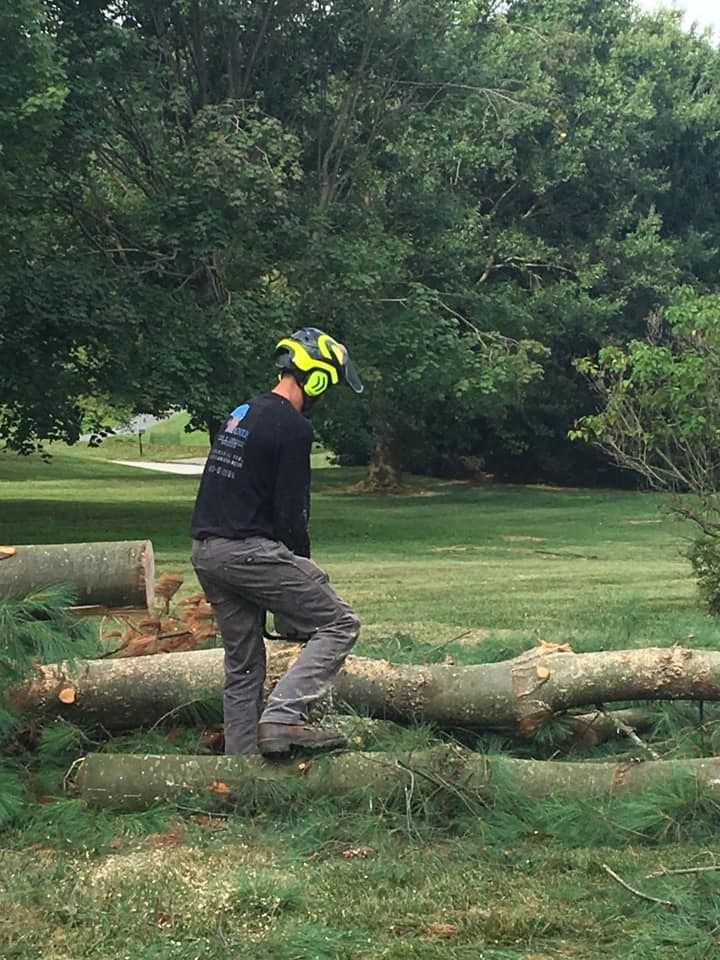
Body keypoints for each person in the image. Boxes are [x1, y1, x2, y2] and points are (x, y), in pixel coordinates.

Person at [190, 328, 364, 756]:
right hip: (246, 551)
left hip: (207, 552)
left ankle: (241, 771)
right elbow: (291, 516)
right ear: (316, 377)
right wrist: (300, 572)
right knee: (339, 623)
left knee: (244, 665)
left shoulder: (244, 411)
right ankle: (284, 717)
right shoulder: (293, 426)